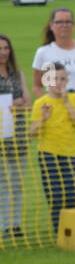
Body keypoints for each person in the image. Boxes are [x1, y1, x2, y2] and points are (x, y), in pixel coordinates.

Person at [28, 62, 75, 234]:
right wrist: (43, 119)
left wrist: (67, 102)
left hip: (70, 152)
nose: (58, 83)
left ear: (67, 81)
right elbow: (32, 133)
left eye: (62, 79)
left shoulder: (73, 99)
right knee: (55, 194)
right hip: (49, 154)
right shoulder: (40, 103)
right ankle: (60, 231)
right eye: (54, 79)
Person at [31, 8, 75, 105]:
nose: (64, 25)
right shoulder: (43, 52)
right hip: (55, 105)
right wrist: (47, 103)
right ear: (51, 25)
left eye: (68, 22)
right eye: (59, 22)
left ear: (73, 25)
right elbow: (37, 86)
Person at [0, 33, 29, 241]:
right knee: (2, 182)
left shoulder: (17, 74)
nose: (3, 52)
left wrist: (19, 103)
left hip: (17, 134)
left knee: (17, 181)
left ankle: (15, 224)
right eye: (0, 48)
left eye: (6, 48)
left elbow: (28, 101)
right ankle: (3, 223)